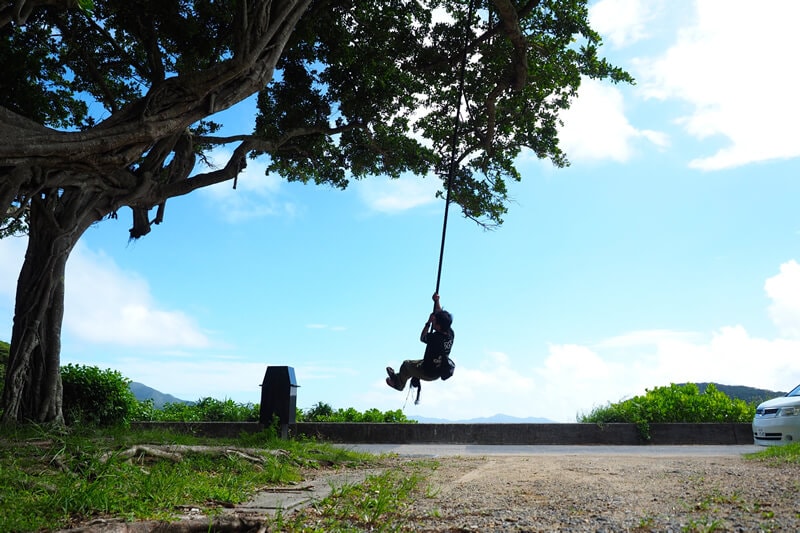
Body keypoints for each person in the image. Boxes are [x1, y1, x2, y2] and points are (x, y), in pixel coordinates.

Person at [386, 293, 454, 391]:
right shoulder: (450, 333)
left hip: (428, 372)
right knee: (410, 366)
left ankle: (399, 384)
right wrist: (437, 301)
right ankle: (398, 377)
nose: (434, 321)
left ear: (439, 326)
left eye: (435, 322)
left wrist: (428, 323)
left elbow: (422, 337)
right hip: (437, 368)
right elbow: (439, 313)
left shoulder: (435, 339)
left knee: (406, 365)